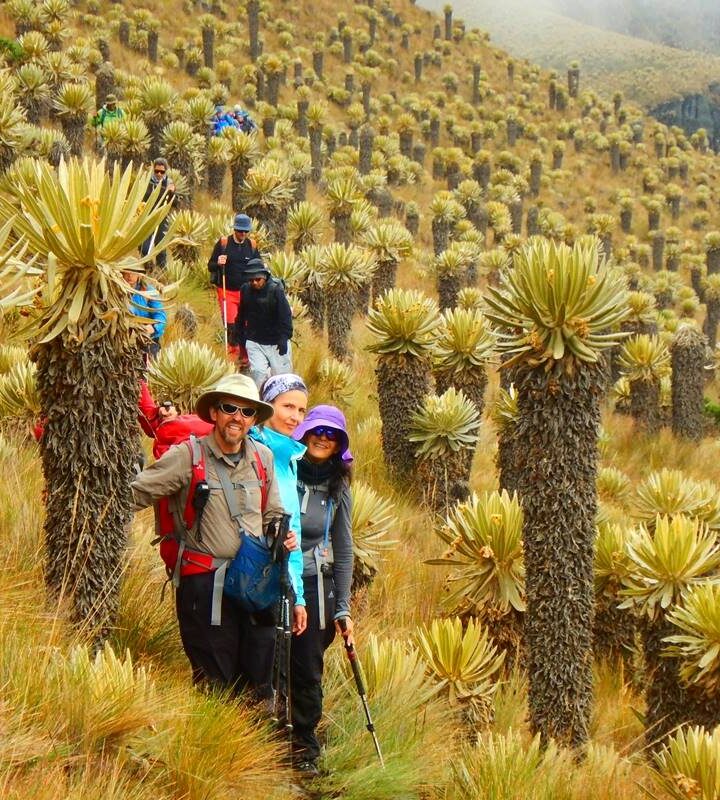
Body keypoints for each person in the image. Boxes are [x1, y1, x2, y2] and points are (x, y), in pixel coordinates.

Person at [131, 373, 307, 696]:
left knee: (255, 688)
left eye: (247, 412)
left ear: (254, 419)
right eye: (229, 408)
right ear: (214, 412)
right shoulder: (188, 456)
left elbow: (273, 514)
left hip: (253, 588)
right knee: (215, 686)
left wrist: (280, 535)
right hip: (205, 588)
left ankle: (245, 746)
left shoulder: (262, 458)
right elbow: (137, 492)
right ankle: (213, 745)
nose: (238, 418)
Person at [290, 404, 354, 774]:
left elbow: (344, 548)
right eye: (318, 430)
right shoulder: (283, 465)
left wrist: (342, 607)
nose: (323, 438)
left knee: (307, 665)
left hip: (317, 584)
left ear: (339, 443)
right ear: (305, 431)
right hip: (274, 578)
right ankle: (266, 732)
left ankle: (304, 745)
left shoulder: (339, 487)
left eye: (332, 434)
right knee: (269, 657)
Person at [207, 214, 261, 361]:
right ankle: (232, 357)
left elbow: (259, 267)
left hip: (247, 294)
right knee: (231, 325)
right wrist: (218, 262)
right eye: (240, 231)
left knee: (246, 325)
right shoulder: (223, 244)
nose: (243, 234)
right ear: (234, 229)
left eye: (245, 231)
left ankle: (245, 358)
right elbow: (210, 266)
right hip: (227, 292)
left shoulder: (252, 246)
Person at [235, 258, 293, 387]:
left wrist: (284, 338)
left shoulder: (276, 290)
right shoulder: (245, 290)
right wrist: (239, 334)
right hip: (255, 341)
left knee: (282, 379)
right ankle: (260, 403)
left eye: (257, 279)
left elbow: (285, 315)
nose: (254, 282)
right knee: (258, 374)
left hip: (276, 343)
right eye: (251, 280)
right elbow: (242, 314)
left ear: (265, 277)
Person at [140, 158, 176, 271]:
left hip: (161, 218)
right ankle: (148, 269)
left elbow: (174, 203)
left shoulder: (169, 184)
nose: (159, 174)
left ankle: (162, 273)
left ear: (166, 171)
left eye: (162, 172)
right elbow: (142, 198)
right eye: (156, 171)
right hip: (147, 218)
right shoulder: (147, 182)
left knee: (161, 248)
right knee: (144, 247)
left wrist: (172, 192)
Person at [123, 270, 167, 360]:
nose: (130, 275)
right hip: (123, 339)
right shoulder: (115, 292)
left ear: (139, 275)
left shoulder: (149, 291)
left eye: (133, 272)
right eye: (126, 272)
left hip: (147, 339)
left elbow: (160, 315)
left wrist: (154, 327)